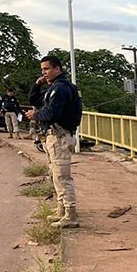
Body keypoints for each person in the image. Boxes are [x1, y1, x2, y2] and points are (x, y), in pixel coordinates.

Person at [25, 55, 82, 228]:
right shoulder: (55, 88)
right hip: (55, 136)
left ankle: (70, 215)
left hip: (60, 136)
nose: (44, 73)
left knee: (62, 177)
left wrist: (35, 115)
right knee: (56, 175)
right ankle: (61, 210)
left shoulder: (61, 89)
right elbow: (34, 100)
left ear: (57, 69)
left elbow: (52, 113)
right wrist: (37, 84)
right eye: (42, 70)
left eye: (47, 69)